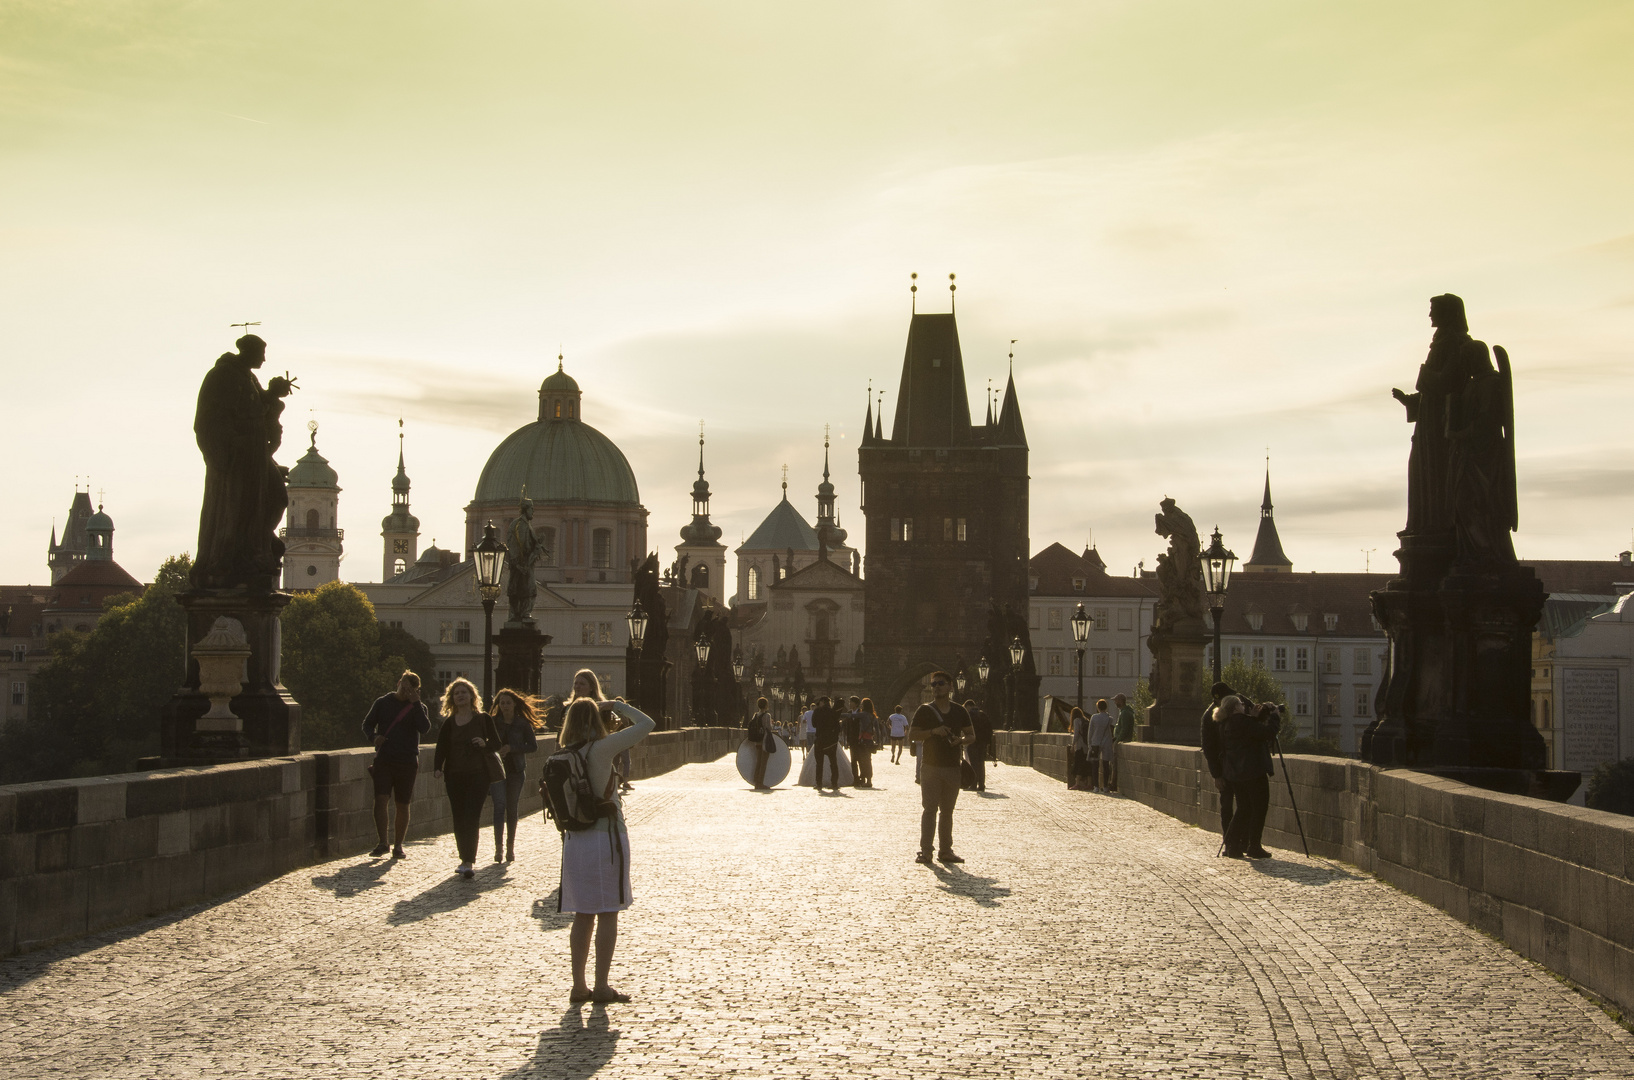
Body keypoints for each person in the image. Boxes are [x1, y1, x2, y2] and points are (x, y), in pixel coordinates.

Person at [558, 696, 655, 1004]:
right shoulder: (602, 749)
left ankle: (578, 985)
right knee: (608, 912)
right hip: (606, 838)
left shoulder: (564, 753)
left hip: (575, 840)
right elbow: (647, 724)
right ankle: (601, 986)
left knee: (583, 914)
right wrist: (615, 705)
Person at [432, 678, 502, 880]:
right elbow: (442, 748)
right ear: (452, 698)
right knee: (459, 817)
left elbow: (496, 743)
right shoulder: (449, 723)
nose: (460, 695)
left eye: (464, 692)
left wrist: (483, 743)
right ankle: (463, 858)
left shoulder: (483, 719)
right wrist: (438, 768)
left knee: (471, 816)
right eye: (456, 693)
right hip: (454, 775)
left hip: (478, 775)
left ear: (472, 695)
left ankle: (469, 860)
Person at [361, 670, 432, 859]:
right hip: (385, 759)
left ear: (416, 691)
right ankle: (383, 842)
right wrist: (374, 737)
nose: (405, 692)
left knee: (403, 803)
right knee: (381, 799)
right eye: (404, 687)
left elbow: (425, 728)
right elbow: (367, 724)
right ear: (398, 682)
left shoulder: (418, 707)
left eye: (410, 690)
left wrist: (415, 703)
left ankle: (398, 845)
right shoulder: (382, 703)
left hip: (407, 761)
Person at [909, 672, 974, 864]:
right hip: (930, 766)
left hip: (952, 767)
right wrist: (933, 732)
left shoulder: (960, 711)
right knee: (929, 809)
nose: (936, 687)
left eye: (940, 683)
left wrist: (960, 741)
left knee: (947, 811)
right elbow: (912, 734)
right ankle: (926, 851)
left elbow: (972, 736)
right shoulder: (924, 710)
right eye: (934, 684)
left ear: (950, 687)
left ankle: (946, 851)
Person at [1220, 696, 1281, 860]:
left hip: (1236, 774)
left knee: (1243, 808)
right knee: (1259, 808)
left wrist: (1255, 717)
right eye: (1240, 704)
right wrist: (1274, 717)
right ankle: (1254, 846)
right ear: (1234, 708)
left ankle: (1233, 846)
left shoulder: (1228, 724)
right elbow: (1267, 733)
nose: (1243, 706)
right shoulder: (1244, 722)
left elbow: (1249, 734)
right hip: (1253, 771)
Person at [489, 688, 541, 863]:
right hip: (497, 771)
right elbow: (488, 743)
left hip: (516, 771)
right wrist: (496, 750)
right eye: (502, 703)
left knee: (511, 808)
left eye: (508, 703)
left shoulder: (522, 723)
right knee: (498, 808)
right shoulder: (494, 722)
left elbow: (533, 746)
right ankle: (498, 849)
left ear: (514, 704)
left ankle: (510, 848)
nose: (504, 706)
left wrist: (512, 748)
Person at [1199, 681, 1237, 841]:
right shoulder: (1210, 717)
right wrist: (1216, 775)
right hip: (1224, 768)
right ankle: (1230, 841)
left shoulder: (1230, 711)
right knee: (1227, 805)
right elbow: (1209, 748)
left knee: (1238, 805)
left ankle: (1240, 841)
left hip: (1235, 765)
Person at [811, 696, 842, 792]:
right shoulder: (833, 712)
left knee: (819, 763)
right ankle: (834, 783)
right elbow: (838, 727)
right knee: (833, 763)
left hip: (820, 740)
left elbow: (814, 724)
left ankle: (819, 784)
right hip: (831, 741)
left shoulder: (817, 711)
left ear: (822, 702)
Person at [964, 698, 992, 793]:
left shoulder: (969, 716)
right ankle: (981, 785)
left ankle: (973, 785)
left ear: (968, 706)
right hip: (982, 743)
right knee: (981, 764)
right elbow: (989, 730)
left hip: (973, 742)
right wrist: (987, 742)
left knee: (974, 764)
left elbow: (966, 730)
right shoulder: (983, 714)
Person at [745, 697, 773, 790]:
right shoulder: (767, 715)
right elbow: (768, 728)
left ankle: (756, 781)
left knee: (758, 762)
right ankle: (760, 783)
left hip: (757, 741)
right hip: (764, 741)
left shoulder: (755, 715)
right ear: (766, 705)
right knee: (763, 763)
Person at [853, 697, 881, 788]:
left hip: (862, 740)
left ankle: (866, 780)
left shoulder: (863, 714)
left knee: (862, 760)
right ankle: (868, 779)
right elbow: (878, 730)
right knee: (868, 760)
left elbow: (851, 716)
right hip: (870, 740)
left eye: (862, 704)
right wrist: (879, 742)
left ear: (864, 706)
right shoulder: (874, 716)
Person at [1111, 693, 1136, 793]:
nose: (1115, 703)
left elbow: (1124, 729)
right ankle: (1112, 783)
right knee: (1113, 764)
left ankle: (1113, 784)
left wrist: (1117, 741)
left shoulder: (1125, 713)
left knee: (1114, 764)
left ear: (1120, 701)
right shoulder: (1125, 711)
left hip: (1122, 740)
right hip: (1121, 740)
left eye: (1116, 701)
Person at [1068, 706, 1089, 790]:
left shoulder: (1076, 721)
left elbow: (1076, 734)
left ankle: (1077, 783)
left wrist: (1073, 745)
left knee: (1078, 764)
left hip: (1080, 746)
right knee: (1084, 764)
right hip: (1086, 746)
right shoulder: (1085, 720)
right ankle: (1085, 783)